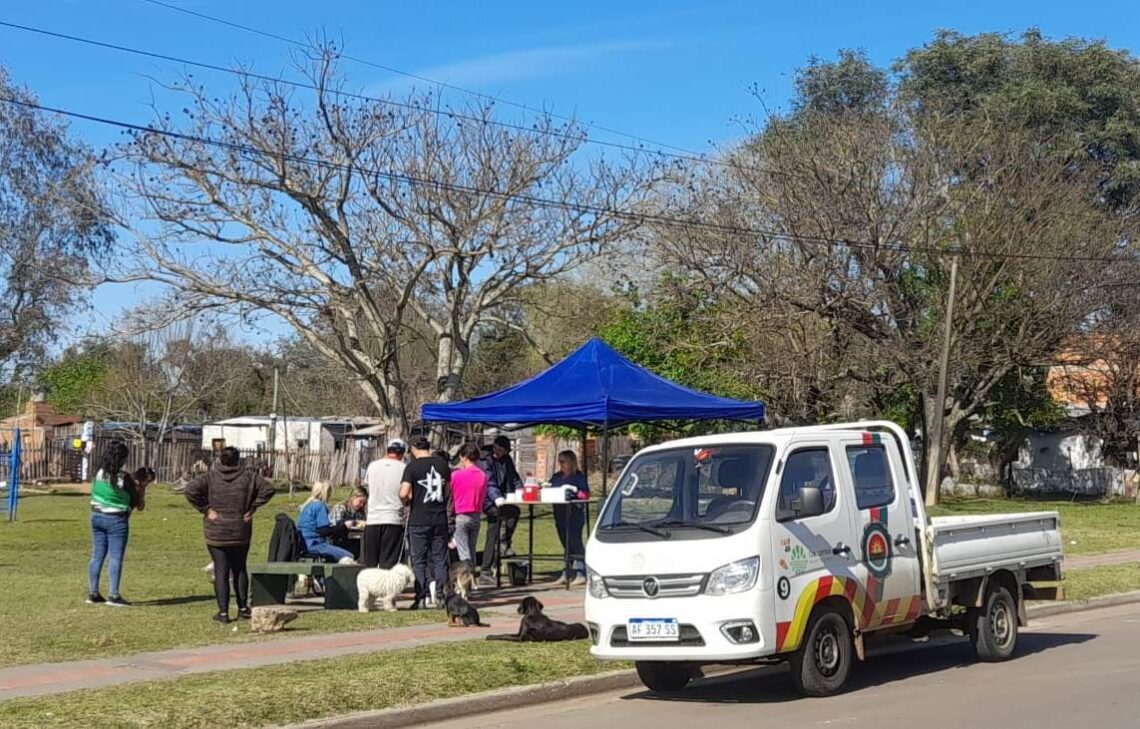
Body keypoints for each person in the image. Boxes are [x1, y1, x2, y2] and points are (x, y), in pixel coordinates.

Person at [184, 447, 276, 623]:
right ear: (238, 460)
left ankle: (224, 612)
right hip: (240, 529)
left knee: (221, 570)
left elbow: (190, 490)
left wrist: (206, 509)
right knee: (240, 568)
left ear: (220, 459)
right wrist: (252, 508)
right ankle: (242, 609)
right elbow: (269, 489)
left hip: (216, 531)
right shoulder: (249, 477)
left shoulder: (210, 477)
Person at [400, 436, 454, 609]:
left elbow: (403, 492)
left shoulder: (412, 467)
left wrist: (408, 500)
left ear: (414, 448)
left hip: (419, 519)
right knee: (440, 559)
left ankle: (421, 596)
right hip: (439, 519)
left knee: (419, 560)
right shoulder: (443, 466)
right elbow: (447, 491)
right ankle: (442, 595)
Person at [87, 440, 139, 606]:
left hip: (96, 516)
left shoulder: (98, 473)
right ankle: (114, 595)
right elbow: (135, 501)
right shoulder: (123, 478)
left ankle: (93, 592)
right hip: (116, 518)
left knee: (97, 556)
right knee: (115, 557)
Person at [478, 436, 522, 587]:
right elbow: (489, 481)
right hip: (488, 500)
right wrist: (496, 498)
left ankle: (505, 542)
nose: (497, 452)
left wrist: (521, 490)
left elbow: (514, 477)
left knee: (514, 512)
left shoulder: (507, 460)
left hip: (503, 498)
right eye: (496, 449)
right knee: (493, 531)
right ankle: (485, 570)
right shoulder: (485, 459)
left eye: (501, 451)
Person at [362, 439, 408, 569]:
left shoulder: (373, 466)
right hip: (393, 518)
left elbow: (367, 485)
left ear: (387, 450)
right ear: (402, 453)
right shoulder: (404, 468)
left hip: (373, 518)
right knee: (388, 563)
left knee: (370, 563)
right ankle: (385, 588)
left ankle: (371, 587)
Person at [549, 450, 590, 586]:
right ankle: (566, 573)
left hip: (574, 513)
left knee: (575, 542)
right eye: (559, 462)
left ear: (570, 462)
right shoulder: (556, 477)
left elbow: (585, 494)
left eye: (563, 462)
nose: (560, 465)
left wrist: (575, 491)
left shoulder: (578, 477)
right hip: (560, 513)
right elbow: (549, 488)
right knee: (565, 543)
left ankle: (581, 573)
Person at [450, 444, 489, 567]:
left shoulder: (456, 475)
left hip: (460, 514)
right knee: (472, 549)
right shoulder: (483, 476)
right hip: (476, 515)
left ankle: (466, 577)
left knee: (463, 551)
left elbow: (450, 495)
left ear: (464, 457)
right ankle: (472, 576)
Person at [297, 482, 355, 563]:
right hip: (315, 545)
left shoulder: (306, 506)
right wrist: (344, 526)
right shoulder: (320, 506)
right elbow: (324, 531)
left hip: (303, 544)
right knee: (349, 557)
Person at [329, 488, 368, 559]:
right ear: (354, 497)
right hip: (338, 541)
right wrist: (355, 523)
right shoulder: (341, 508)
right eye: (360, 501)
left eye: (364, 503)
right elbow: (336, 526)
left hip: (354, 541)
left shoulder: (360, 512)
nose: (362, 505)